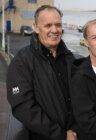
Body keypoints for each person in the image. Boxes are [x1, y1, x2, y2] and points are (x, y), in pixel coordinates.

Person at [7, 5, 77, 140]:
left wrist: (75, 129)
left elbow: (80, 97)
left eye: (58, 25)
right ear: (36, 28)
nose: (54, 30)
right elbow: (23, 107)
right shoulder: (22, 61)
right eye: (48, 25)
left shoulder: (70, 59)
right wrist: (61, 135)